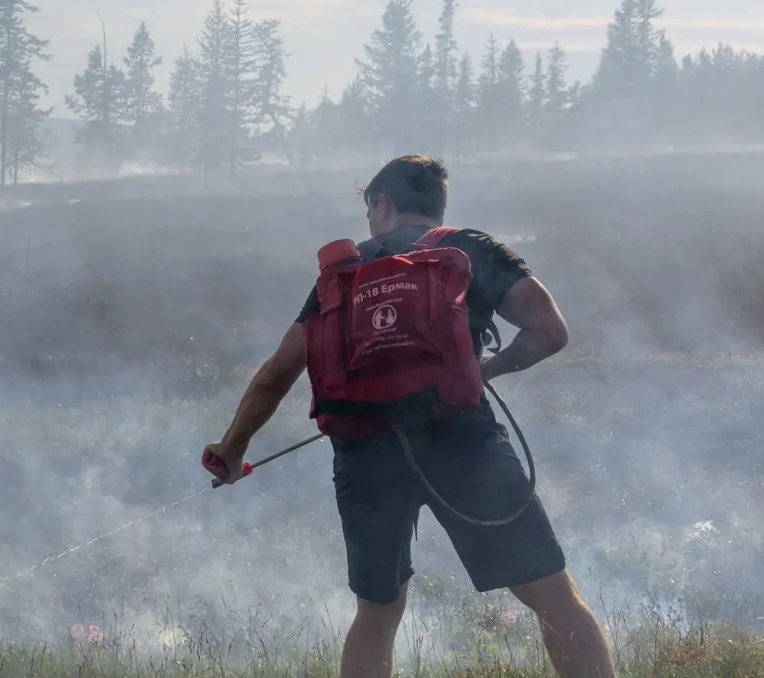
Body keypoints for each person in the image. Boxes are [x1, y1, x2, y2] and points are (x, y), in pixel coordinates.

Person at [203, 155, 614, 678]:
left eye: (370, 210)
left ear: (383, 203)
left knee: (377, 611)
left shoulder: (344, 274)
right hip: (463, 444)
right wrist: (484, 372)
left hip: (364, 454)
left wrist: (232, 448)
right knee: (550, 594)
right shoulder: (466, 249)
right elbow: (550, 331)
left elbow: (277, 373)